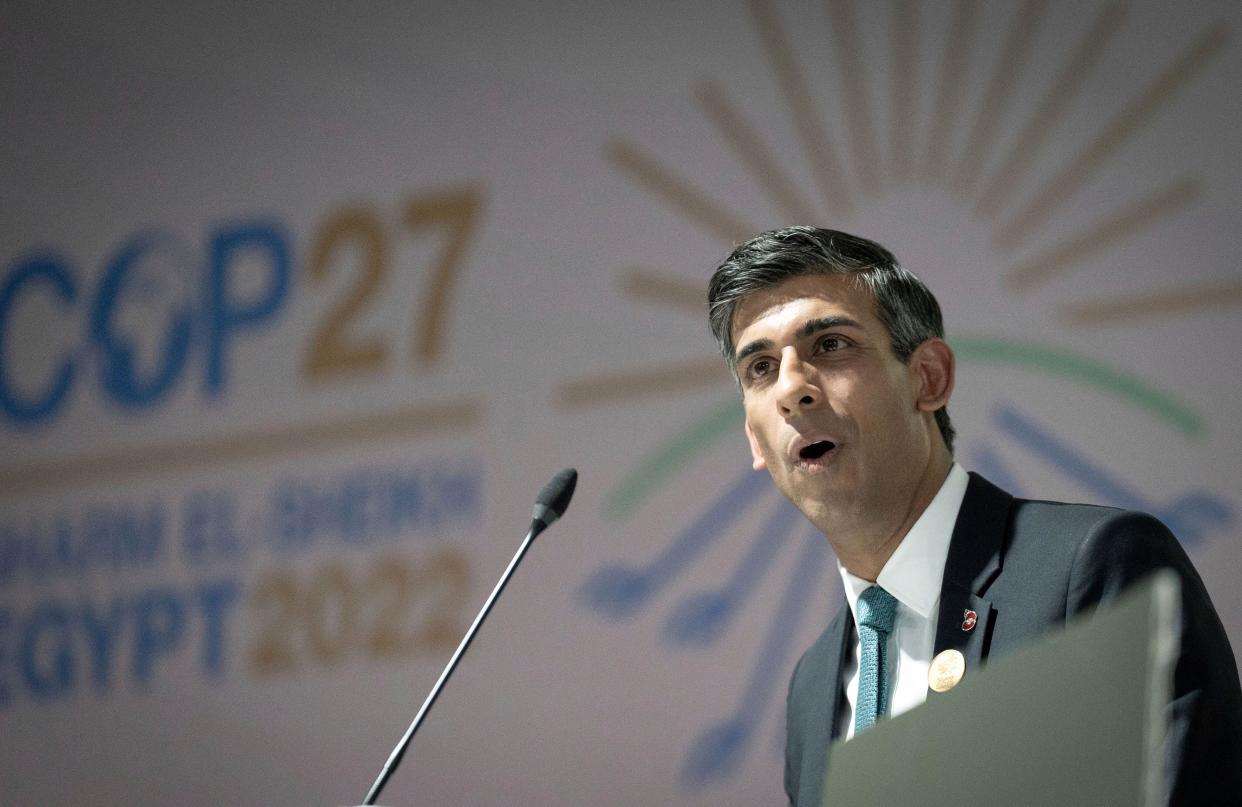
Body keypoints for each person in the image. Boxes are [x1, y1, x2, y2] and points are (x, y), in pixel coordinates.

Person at [707, 226, 1242, 806]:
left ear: (928, 378)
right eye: (760, 367)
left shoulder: (1093, 568)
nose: (792, 388)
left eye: (831, 345)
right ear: (755, 442)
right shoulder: (813, 686)